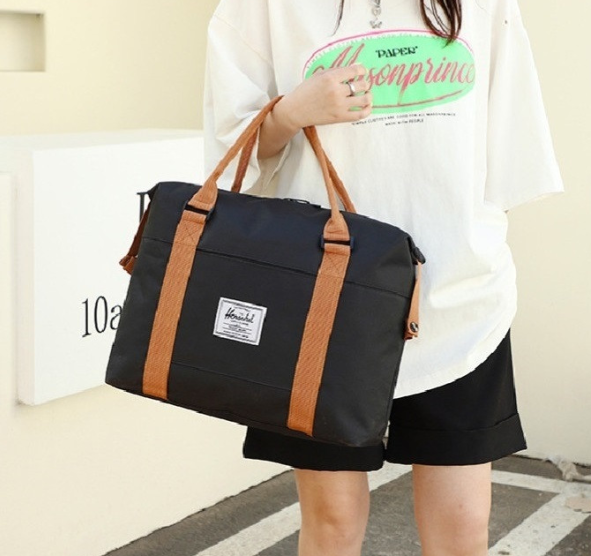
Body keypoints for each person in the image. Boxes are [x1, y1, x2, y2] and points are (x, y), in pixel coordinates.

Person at [203, 1, 564, 554]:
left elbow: (510, 146)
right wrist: (290, 112)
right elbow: (231, 158)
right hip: (322, 298)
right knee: (332, 523)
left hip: (459, 297)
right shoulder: (264, 7)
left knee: (462, 530)